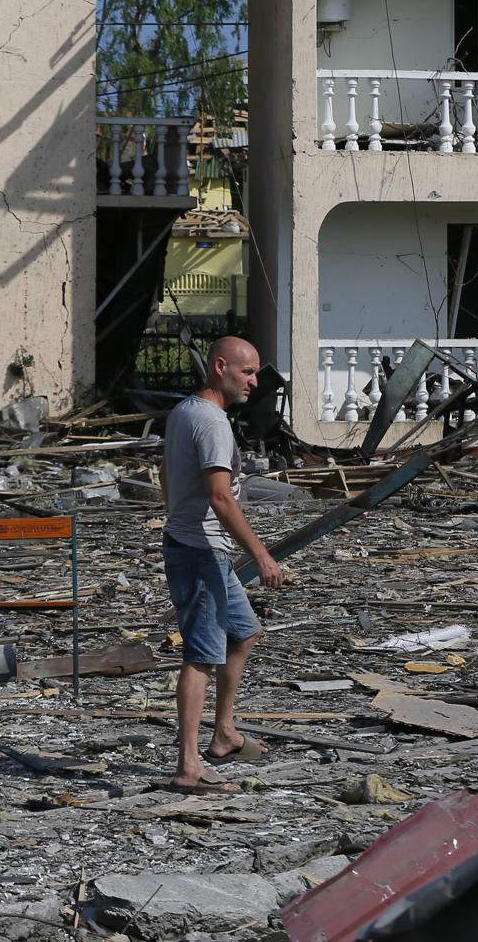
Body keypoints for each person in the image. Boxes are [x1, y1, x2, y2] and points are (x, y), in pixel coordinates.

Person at [161, 335, 285, 790]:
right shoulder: (212, 423)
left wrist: (175, 510)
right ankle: (188, 767)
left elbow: (165, 471)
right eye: (247, 372)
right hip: (200, 552)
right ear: (220, 367)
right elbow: (219, 497)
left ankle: (225, 732)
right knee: (200, 657)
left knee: (245, 631)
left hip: (196, 545)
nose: (254, 381)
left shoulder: (183, 411)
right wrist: (261, 553)